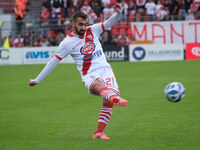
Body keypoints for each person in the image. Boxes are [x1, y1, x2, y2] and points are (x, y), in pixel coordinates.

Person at [29, 3, 128, 140]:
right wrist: (37, 79)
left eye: (85, 24)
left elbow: (110, 22)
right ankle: (113, 97)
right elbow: (53, 62)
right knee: (101, 88)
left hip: (106, 70)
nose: (83, 27)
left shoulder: (93, 30)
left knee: (108, 101)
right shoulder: (67, 43)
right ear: (73, 24)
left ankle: (99, 132)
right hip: (89, 74)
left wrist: (118, 13)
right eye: (80, 24)